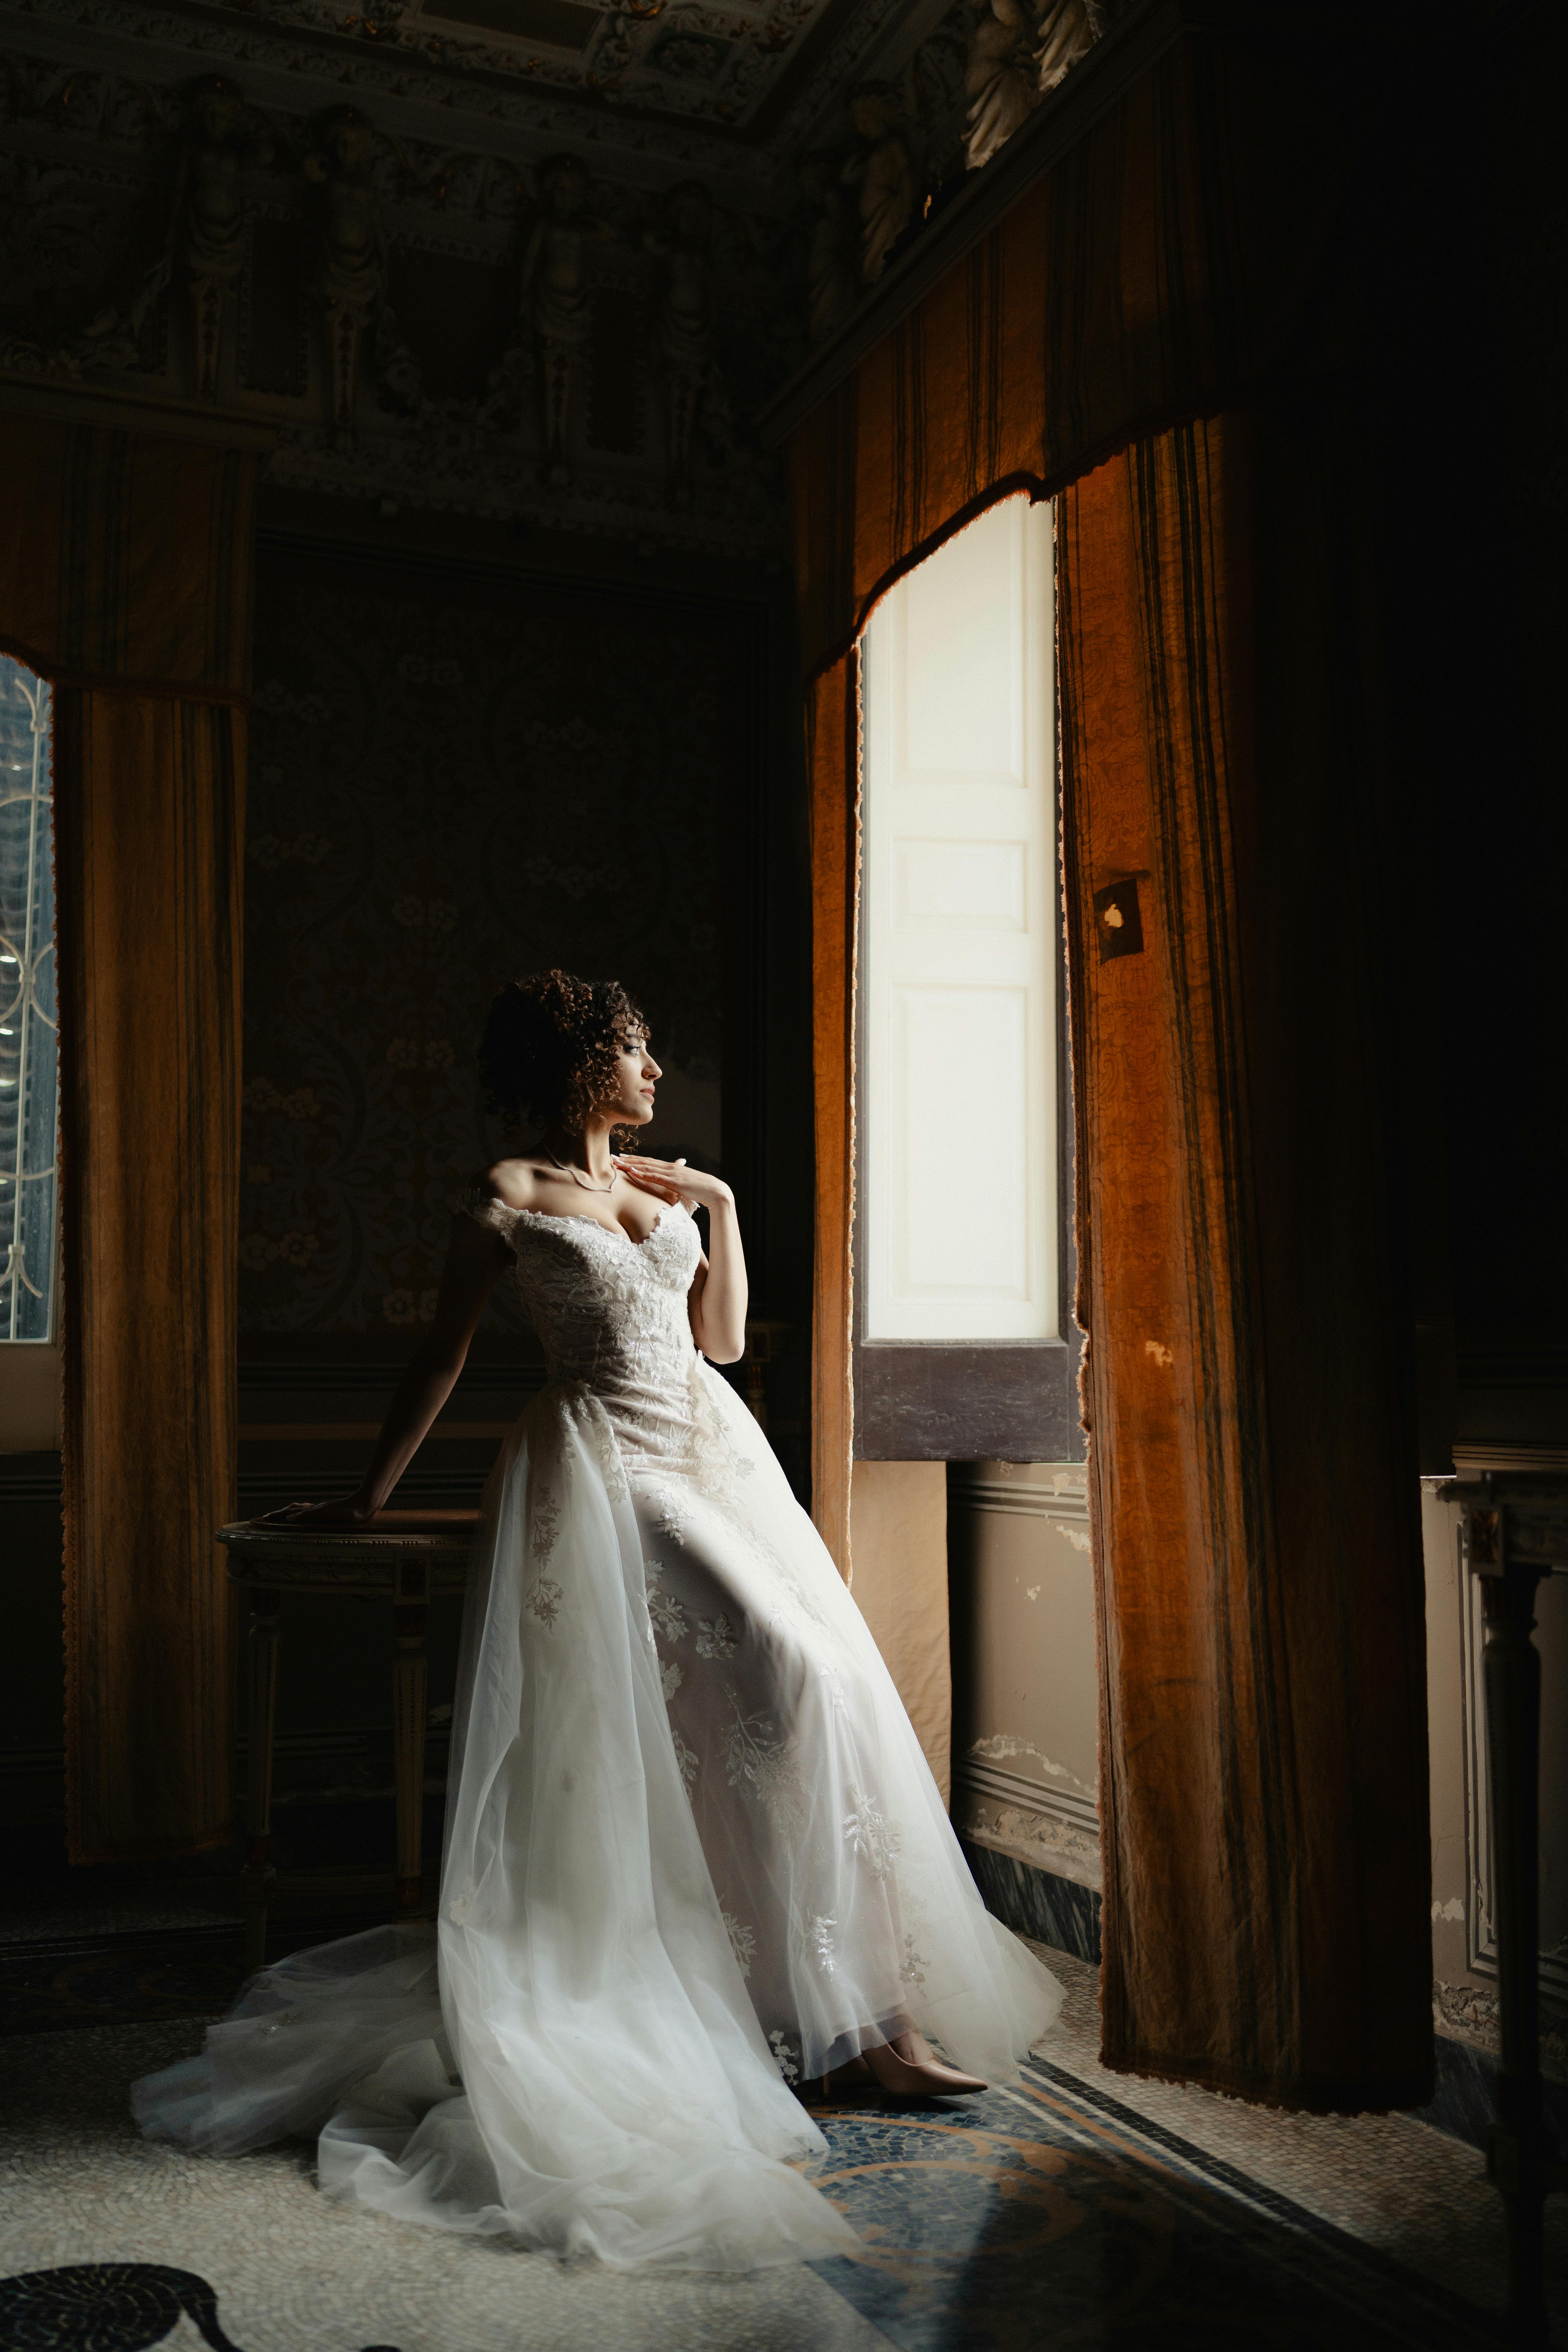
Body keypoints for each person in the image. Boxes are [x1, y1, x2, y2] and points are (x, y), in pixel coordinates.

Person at [134, 970, 1063, 2270]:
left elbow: (723, 1346)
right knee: (786, 1681)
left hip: (713, 1455)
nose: (654, 1074)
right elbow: (442, 1357)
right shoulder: (510, 1197)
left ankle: (861, 2025)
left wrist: (725, 1209)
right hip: (609, 1470)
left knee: (821, 1700)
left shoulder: (667, 1191)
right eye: (635, 1053)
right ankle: (793, 2022)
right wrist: (366, 1496)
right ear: (581, 1066)